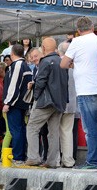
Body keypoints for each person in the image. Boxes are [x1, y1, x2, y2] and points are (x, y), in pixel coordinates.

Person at [61, 16, 97, 169]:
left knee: (89, 128)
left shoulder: (77, 42)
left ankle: (92, 161)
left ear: (78, 30)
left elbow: (63, 64)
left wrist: (75, 64)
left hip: (86, 88)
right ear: (92, 28)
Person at [25, 38, 68, 168]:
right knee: (54, 132)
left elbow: (41, 82)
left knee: (32, 127)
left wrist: (35, 97)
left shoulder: (45, 61)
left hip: (45, 101)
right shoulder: (61, 61)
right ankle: (52, 161)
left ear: (43, 48)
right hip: (59, 102)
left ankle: (33, 157)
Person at [2, 44, 32, 164]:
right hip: (22, 102)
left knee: (16, 130)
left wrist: (8, 103)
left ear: (12, 54)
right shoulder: (25, 65)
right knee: (21, 129)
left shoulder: (18, 65)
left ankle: (18, 156)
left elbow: (14, 86)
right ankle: (21, 156)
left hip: (15, 103)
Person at [57, 42, 78, 168]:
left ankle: (56, 159)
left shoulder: (58, 63)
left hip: (58, 103)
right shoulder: (75, 65)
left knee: (54, 131)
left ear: (59, 51)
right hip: (72, 103)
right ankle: (68, 160)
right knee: (67, 132)